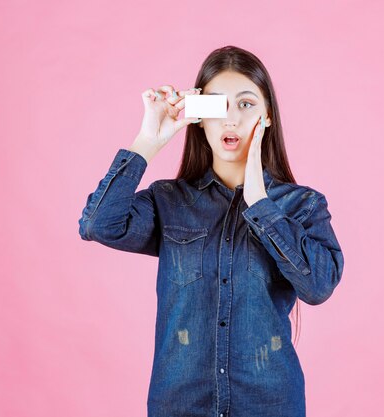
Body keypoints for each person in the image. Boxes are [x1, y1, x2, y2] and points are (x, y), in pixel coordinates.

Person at [78, 45, 344, 417]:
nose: (231, 119)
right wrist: (148, 141)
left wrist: (259, 203)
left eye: (247, 104)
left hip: (270, 405)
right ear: (200, 117)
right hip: (180, 406)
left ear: (267, 117)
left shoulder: (303, 205)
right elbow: (97, 224)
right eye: (218, 106)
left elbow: (318, 286)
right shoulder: (169, 201)